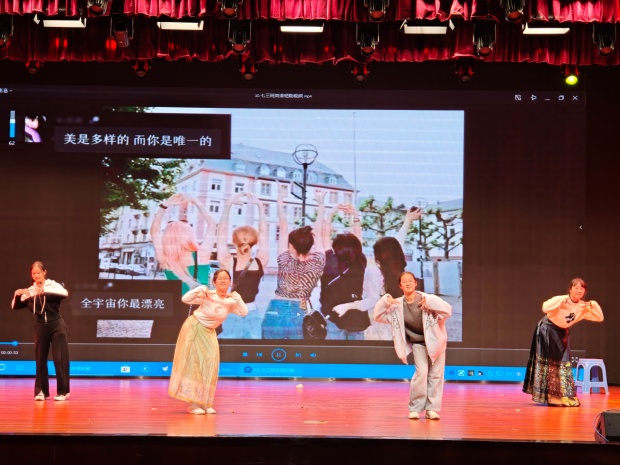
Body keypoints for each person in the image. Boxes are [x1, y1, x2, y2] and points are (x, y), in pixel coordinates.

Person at [374, 271, 452, 420]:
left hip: (436, 342)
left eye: (410, 280)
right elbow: (378, 316)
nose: (408, 283)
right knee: (421, 372)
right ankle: (415, 408)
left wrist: (430, 302)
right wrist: (385, 301)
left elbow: (447, 311)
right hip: (418, 343)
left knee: (436, 375)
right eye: (404, 281)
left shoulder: (427, 299)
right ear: (400, 285)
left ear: (416, 283)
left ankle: (431, 409)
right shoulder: (397, 305)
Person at [168, 269, 248, 414]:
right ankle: (193, 405)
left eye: (226, 278)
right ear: (214, 282)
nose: (223, 280)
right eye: (220, 278)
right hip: (195, 328)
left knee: (210, 365)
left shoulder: (229, 301)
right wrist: (200, 289)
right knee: (195, 365)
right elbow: (186, 299)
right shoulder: (207, 296)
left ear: (230, 282)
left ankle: (205, 402)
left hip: (209, 332)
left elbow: (243, 312)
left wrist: (238, 297)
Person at [522, 277, 604, 407]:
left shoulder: (583, 307)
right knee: (551, 364)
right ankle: (552, 397)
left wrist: (593, 304)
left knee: (563, 364)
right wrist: (561, 300)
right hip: (547, 329)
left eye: (582, 288)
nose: (579, 291)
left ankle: (563, 395)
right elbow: (545, 307)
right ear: (570, 289)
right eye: (576, 288)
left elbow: (599, 317)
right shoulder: (561, 300)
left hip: (562, 333)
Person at [261, 183, 326, 339]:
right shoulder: (317, 263)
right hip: (299, 310)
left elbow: (283, 227)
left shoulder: (285, 261)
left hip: (276, 308)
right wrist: (320, 204)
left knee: (268, 351)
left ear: (290, 245)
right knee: (297, 351)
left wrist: (280, 200)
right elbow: (318, 231)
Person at [11, 261, 70, 401]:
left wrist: (44, 291)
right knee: (40, 359)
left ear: (44, 272)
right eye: (34, 273)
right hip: (41, 326)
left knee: (59, 359)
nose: (36, 275)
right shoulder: (30, 291)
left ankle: (62, 392)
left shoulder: (53, 285)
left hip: (57, 324)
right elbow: (15, 306)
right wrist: (17, 294)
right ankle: (41, 391)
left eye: (39, 273)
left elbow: (64, 293)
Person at [216, 192, 269, 339]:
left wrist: (229, 204)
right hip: (252, 314)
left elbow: (221, 230)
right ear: (255, 242)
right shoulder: (261, 261)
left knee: (228, 352)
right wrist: (259, 205)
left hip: (232, 314)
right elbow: (264, 232)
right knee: (252, 352)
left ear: (234, 241)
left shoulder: (227, 261)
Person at [150, 192, 217, 296]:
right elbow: (212, 225)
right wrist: (195, 201)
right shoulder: (201, 255)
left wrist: (165, 205)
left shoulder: (166, 260)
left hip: (175, 305)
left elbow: (154, 232)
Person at [319, 203, 367, 340]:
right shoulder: (360, 262)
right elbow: (358, 240)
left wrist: (331, 213)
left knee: (334, 352)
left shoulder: (330, 262)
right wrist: (355, 216)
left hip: (334, 316)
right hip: (357, 317)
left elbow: (325, 236)